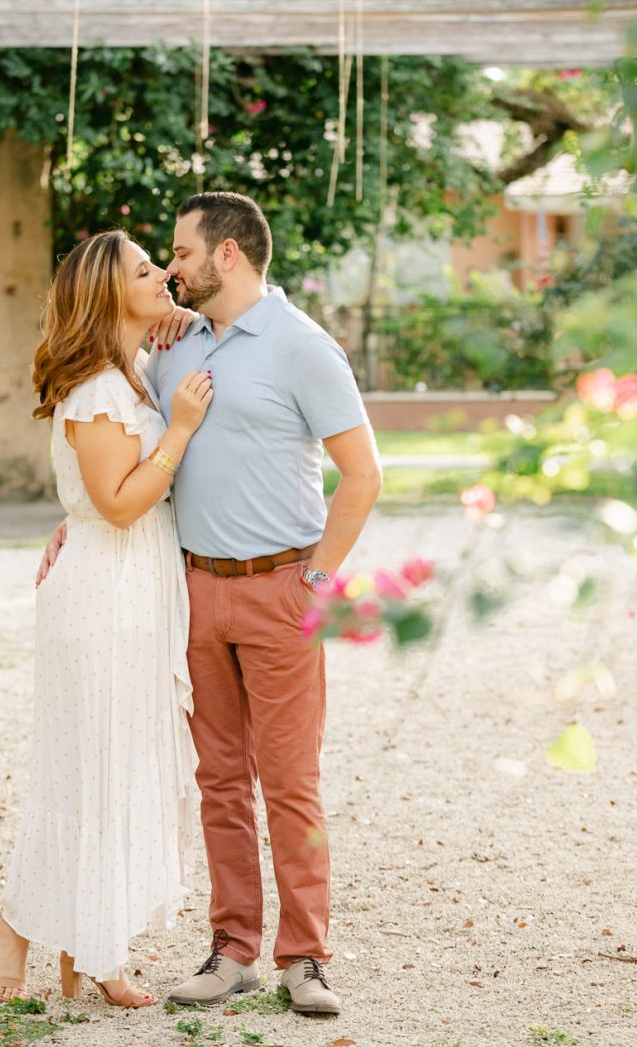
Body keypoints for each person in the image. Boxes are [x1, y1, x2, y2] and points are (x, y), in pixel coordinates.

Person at [40, 191, 382, 1016]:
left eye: (182, 253)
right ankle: (234, 950)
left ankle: (306, 957)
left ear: (227, 255)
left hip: (280, 589)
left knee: (291, 783)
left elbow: (363, 476)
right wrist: (71, 517)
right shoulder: (174, 343)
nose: (172, 267)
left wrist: (318, 579)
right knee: (219, 782)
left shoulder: (305, 348)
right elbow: (125, 453)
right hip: (189, 590)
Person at [0, 229, 211, 1009]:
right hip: (103, 597)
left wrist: (166, 321)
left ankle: (94, 948)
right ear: (110, 295)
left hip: (137, 592)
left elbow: (95, 498)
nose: (163, 275)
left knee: (118, 772)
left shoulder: (134, 372)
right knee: (85, 775)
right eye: (146, 272)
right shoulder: (99, 391)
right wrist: (178, 431)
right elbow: (113, 505)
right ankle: (12, 922)